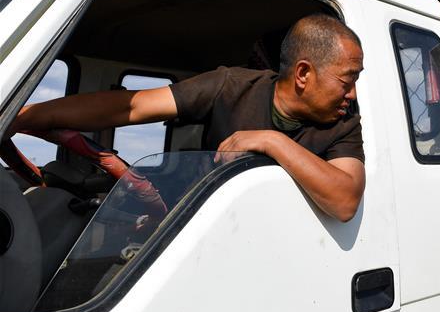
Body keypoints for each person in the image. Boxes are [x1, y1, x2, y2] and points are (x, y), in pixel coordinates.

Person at [7, 14, 365, 222]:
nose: (352, 95)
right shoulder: (230, 86)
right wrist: (24, 116)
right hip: (201, 228)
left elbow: (345, 200)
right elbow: (128, 107)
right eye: (347, 80)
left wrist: (272, 141)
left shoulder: (343, 121)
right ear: (303, 74)